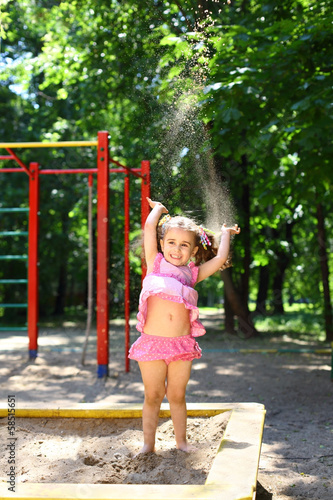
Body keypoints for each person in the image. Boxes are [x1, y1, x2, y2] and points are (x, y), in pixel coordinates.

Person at [129, 198, 240, 454]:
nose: (176, 249)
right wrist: (157, 210)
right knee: (153, 396)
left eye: (184, 245)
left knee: (177, 396)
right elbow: (148, 229)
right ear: (161, 244)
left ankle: (182, 443)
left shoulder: (192, 274)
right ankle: (148, 444)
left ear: (192, 251)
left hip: (181, 346)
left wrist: (224, 234)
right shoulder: (154, 264)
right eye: (171, 243)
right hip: (152, 344)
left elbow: (221, 257)